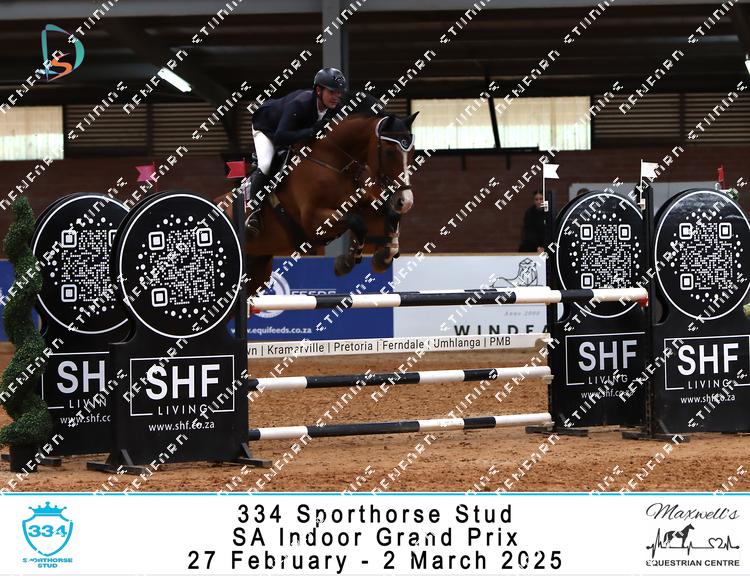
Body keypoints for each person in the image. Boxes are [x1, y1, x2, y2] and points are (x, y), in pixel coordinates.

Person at [243, 67, 347, 235]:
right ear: (318, 90)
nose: (336, 96)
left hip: (292, 131)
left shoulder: (336, 109)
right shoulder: (300, 104)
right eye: (332, 92)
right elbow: (280, 137)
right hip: (267, 128)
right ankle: (253, 212)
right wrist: (311, 131)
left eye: (339, 93)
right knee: (266, 164)